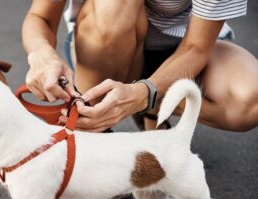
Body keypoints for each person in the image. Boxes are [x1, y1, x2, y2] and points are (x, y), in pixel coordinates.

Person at [22, 0, 258, 132]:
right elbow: (40, 18)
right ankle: (94, 129)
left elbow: (197, 47)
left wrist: (147, 93)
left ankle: (151, 106)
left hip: (185, 50)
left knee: (250, 101)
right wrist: (42, 55)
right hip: (104, 48)